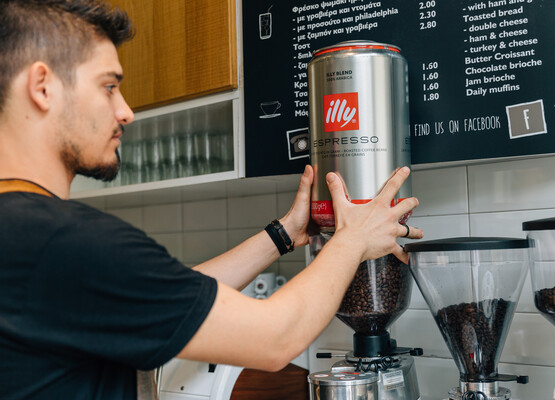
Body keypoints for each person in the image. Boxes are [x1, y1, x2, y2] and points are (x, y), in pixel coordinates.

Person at [0, 0, 424, 399]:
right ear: (42, 86)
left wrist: (281, 234)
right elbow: (274, 338)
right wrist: (353, 239)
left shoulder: (28, 238)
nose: (126, 111)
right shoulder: (64, 241)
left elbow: (169, 296)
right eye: (109, 86)